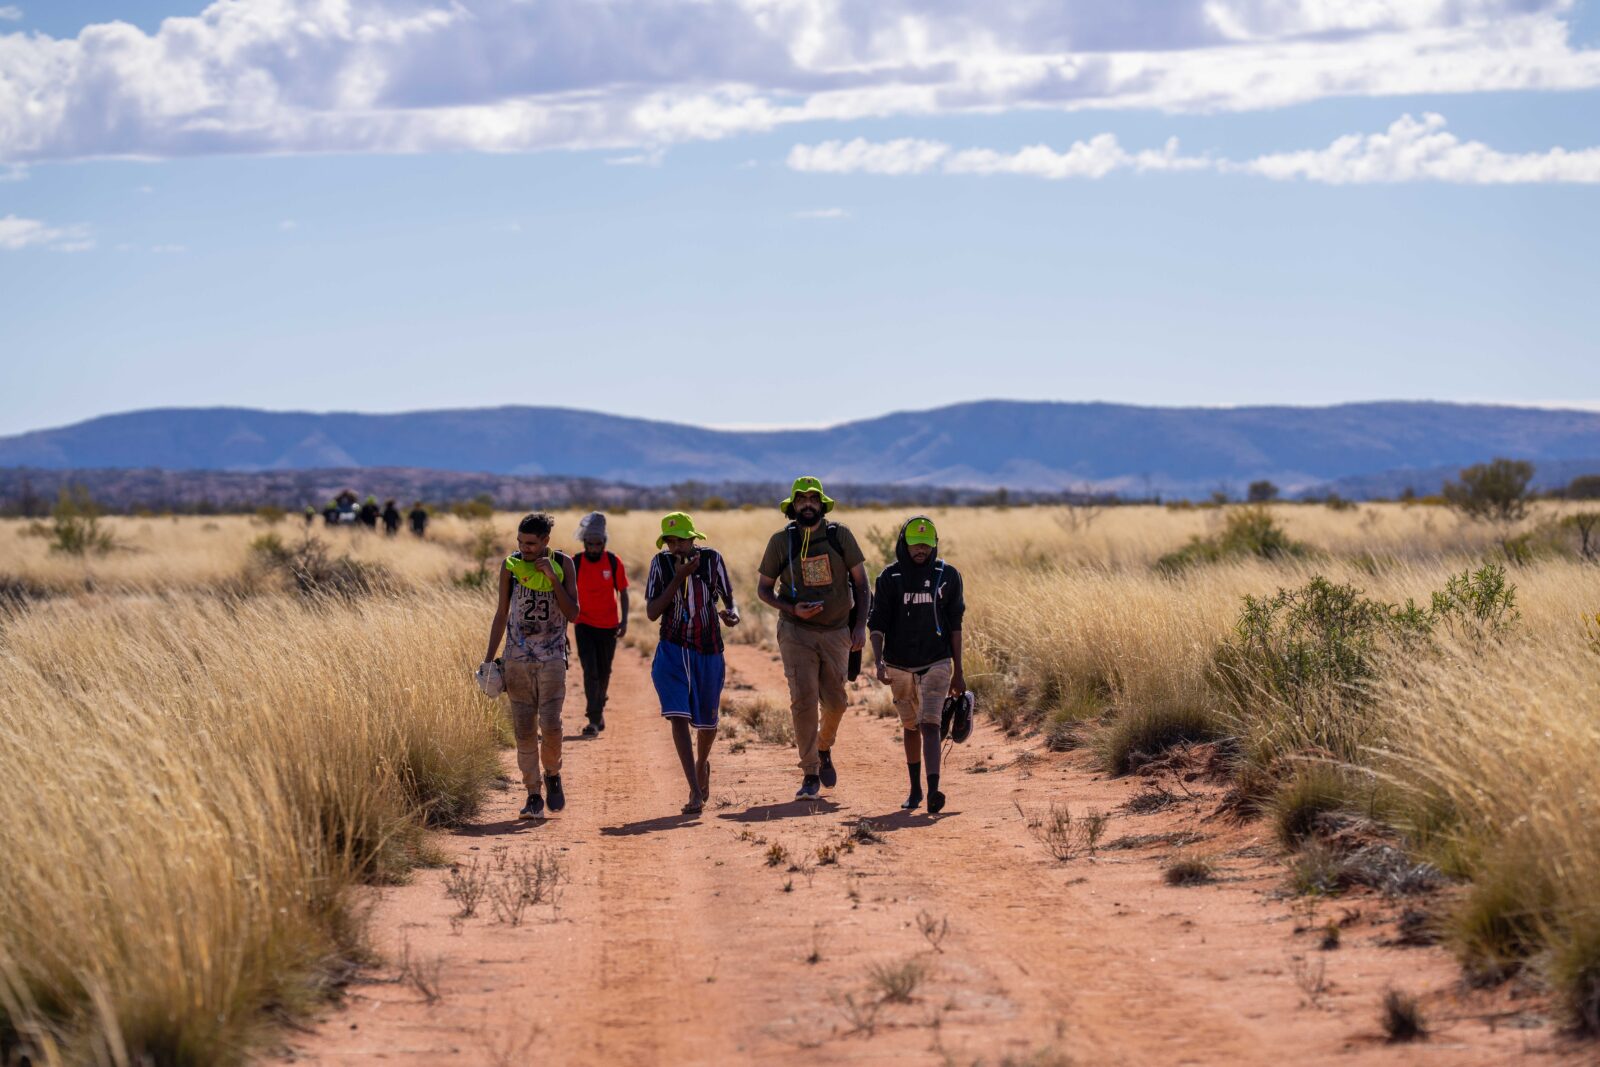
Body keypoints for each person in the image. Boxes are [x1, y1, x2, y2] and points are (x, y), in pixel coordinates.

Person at [756, 477, 869, 801]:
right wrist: (792, 608)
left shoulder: (839, 536)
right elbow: (763, 589)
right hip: (796, 631)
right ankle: (809, 773)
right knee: (803, 700)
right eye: (801, 499)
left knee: (836, 703)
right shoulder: (781, 542)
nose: (807, 504)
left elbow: (862, 585)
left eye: (813, 499)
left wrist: (859, 626)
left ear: (822, 504)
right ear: (793, 506)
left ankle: (823, 747)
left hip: (837, 632)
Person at [482, 513, 580, 818]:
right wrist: (489, 658)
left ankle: (553, 773)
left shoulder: (563, 564)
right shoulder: (510, 567)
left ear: (545, 542)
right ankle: (533, 794)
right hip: (517, 660)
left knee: (551, 726)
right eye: (521, 542)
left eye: (531, 543)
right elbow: (501, 613)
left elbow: (574, 613)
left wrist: (553, 578)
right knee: (524, 731)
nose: (524, 548)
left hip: (552, 659)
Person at [868, 516, 966, 814]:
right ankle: (915, 790)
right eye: (914, 544)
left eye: (926, 543)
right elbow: (877, 624)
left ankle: (935, 790)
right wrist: (878, 662)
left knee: (930, 723)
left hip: (937, 661)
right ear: (903, 544)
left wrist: (959, 671)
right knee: (911, 726)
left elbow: (956, 625)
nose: (920, 549)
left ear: (934, 544)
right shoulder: (890, 578)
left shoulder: (948, 575)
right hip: (898, 665)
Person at [646, 512, 738, 814]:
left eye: (681, 540)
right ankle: (695, 792)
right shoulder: (660, 565)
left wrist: (731, 613)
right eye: (670, 541)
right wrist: (678, 578)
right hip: (672, 648)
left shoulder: (712, 560)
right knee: (678, 717)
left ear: (693, 539)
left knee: (708, 724)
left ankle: (701, 764)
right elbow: (652, 611)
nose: (676, 547)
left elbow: (729, 599)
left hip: (708, 648)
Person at [571, 512, 630, 737]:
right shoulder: (575, 563)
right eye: (590, 543)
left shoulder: (614, 562)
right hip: (584, 623)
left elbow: (623, 591)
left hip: (608, 625)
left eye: (598, 543)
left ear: (604, 543)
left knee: (604, 671)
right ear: (584, 542)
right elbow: (566, 594)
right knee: (590, 671)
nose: (594, 547)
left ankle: (598, 706)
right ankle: (593, 719)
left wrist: (624, 620)